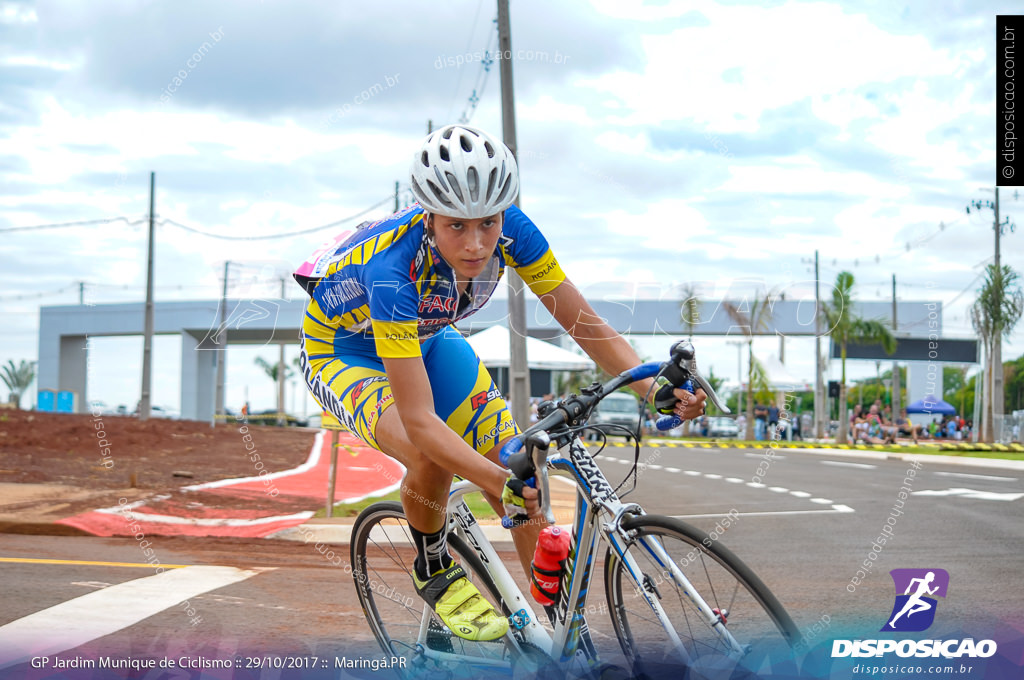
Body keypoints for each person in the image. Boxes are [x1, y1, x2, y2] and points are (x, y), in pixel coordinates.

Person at [295, 125, 706, 642]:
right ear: (429, 217)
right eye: (457, 227)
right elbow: (420, 421)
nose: (476, 244)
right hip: (344, 351)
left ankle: (560, 637)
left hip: (424, 338)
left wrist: (650, 386)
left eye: (487, 223)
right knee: (433, 454)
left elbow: (582, 323)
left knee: (516, 459)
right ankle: (434, 567)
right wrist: (494, 482)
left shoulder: (515, 230)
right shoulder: (391, 269)